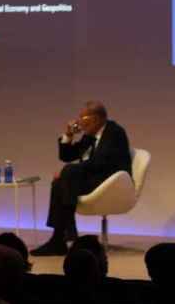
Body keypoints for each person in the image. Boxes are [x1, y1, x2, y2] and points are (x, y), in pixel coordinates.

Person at [32, 101, 131, 256]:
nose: (79, 122)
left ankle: (64, 237)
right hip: (93, 179)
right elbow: (66, 156)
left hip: (111, 181)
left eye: (83, 117)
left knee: (67, 175)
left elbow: (100, 162)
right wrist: (69, 136)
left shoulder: (114, 132)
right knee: (60, 182)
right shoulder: (90, 135)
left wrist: (66, 171)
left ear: (96, 119)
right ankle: (60, 239)